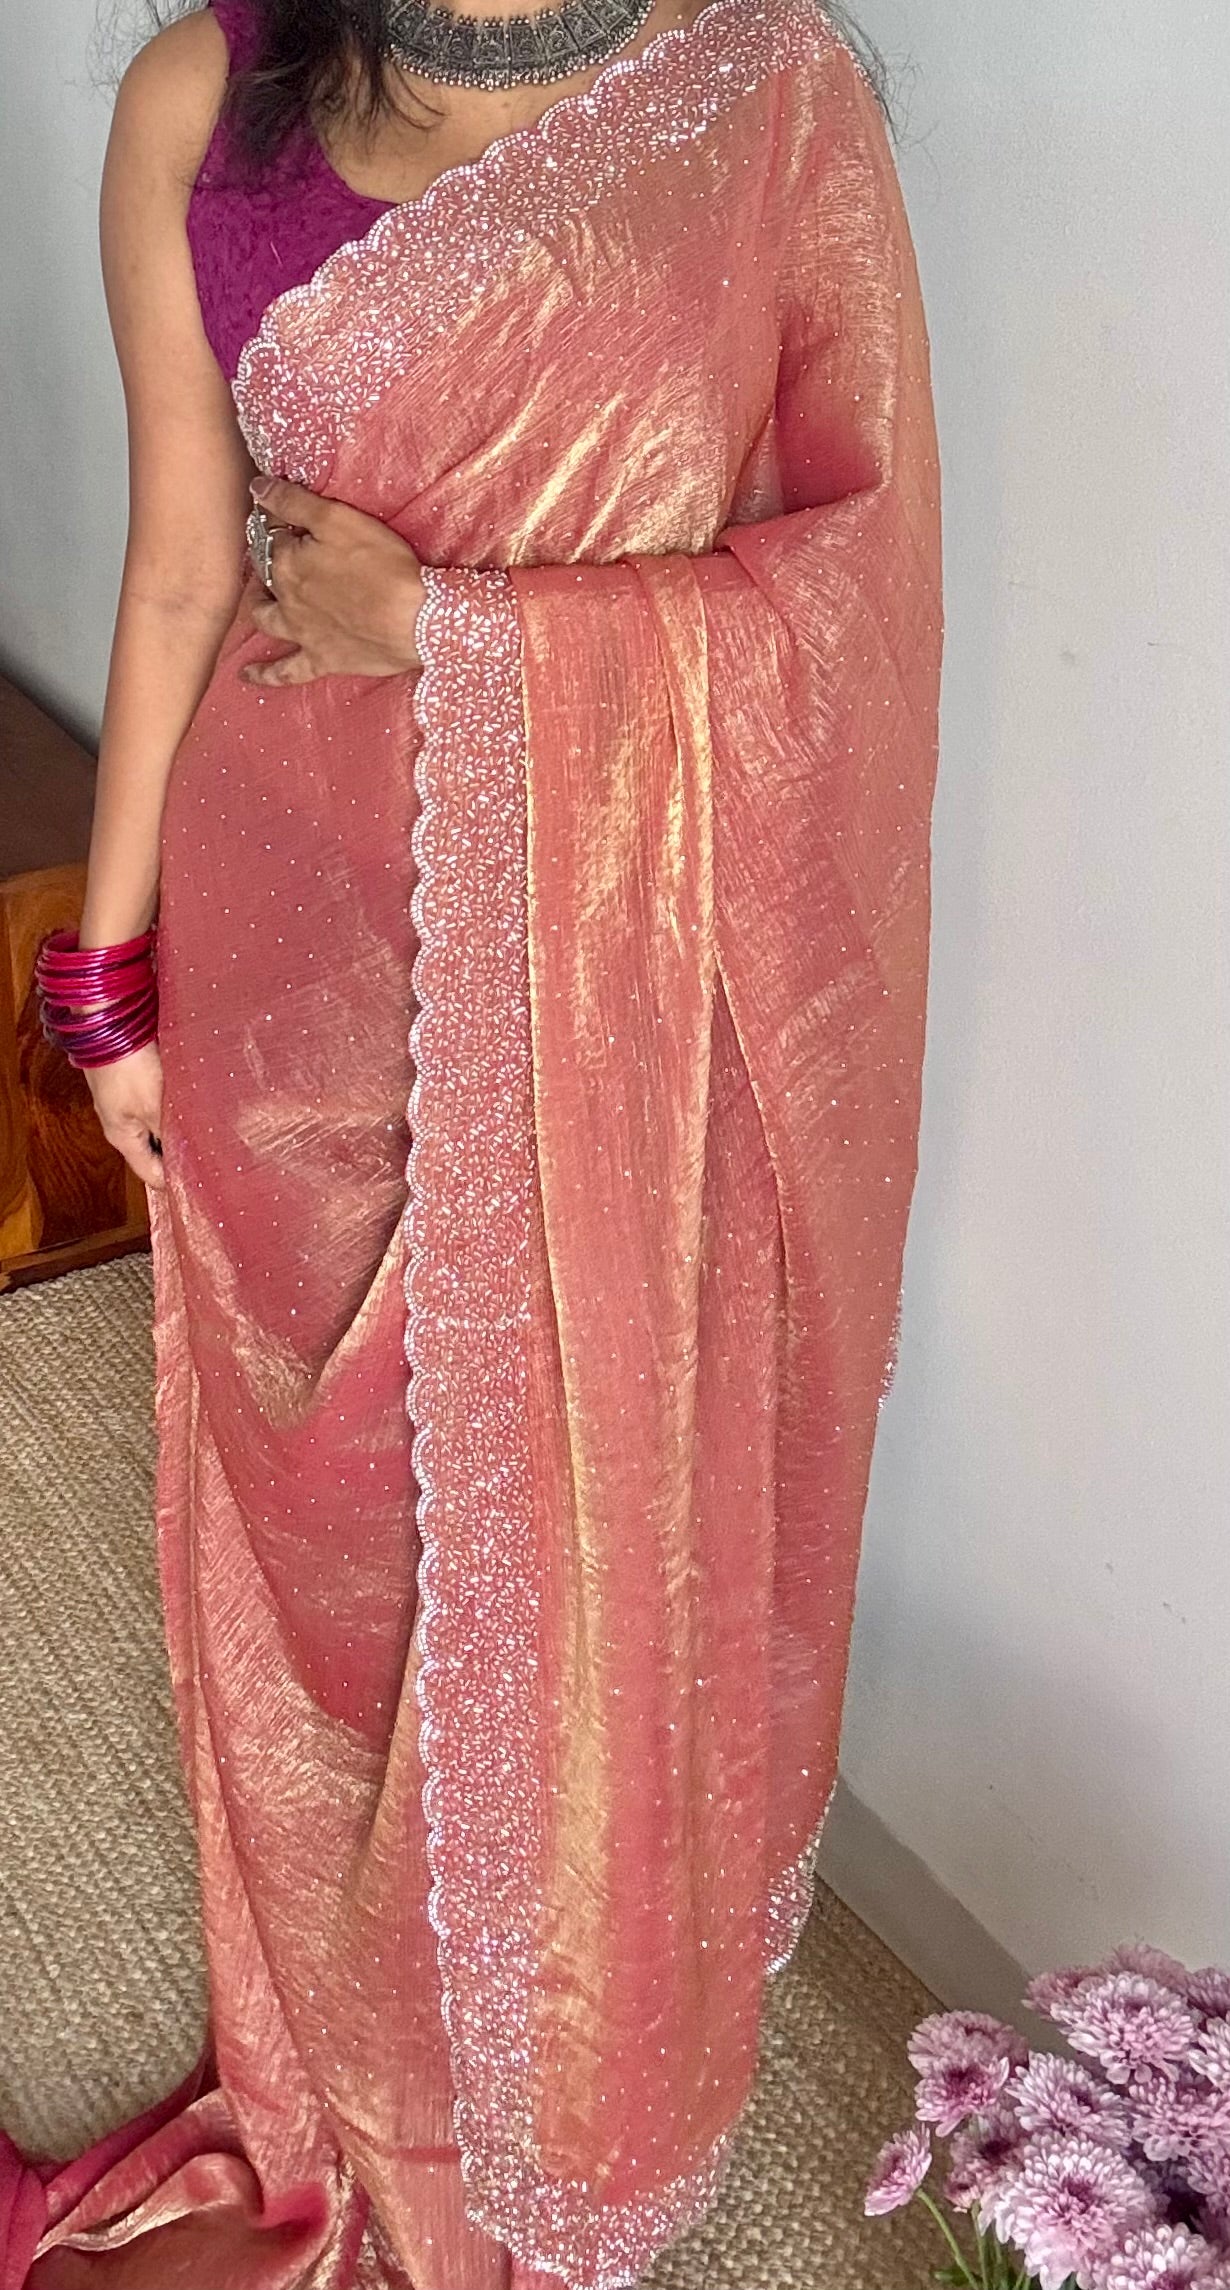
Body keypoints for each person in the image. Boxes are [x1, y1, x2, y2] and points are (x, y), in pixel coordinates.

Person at [3, 0, 943, 2281]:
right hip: (286, 961)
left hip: (617, 986)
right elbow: (181, 566)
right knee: (333, 1555)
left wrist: (455, 629)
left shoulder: (761, 97)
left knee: (568, 1534)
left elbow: (856, 592)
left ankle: (534, 2066)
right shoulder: (206, 90)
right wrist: (106, 979)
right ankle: (359, 2059)